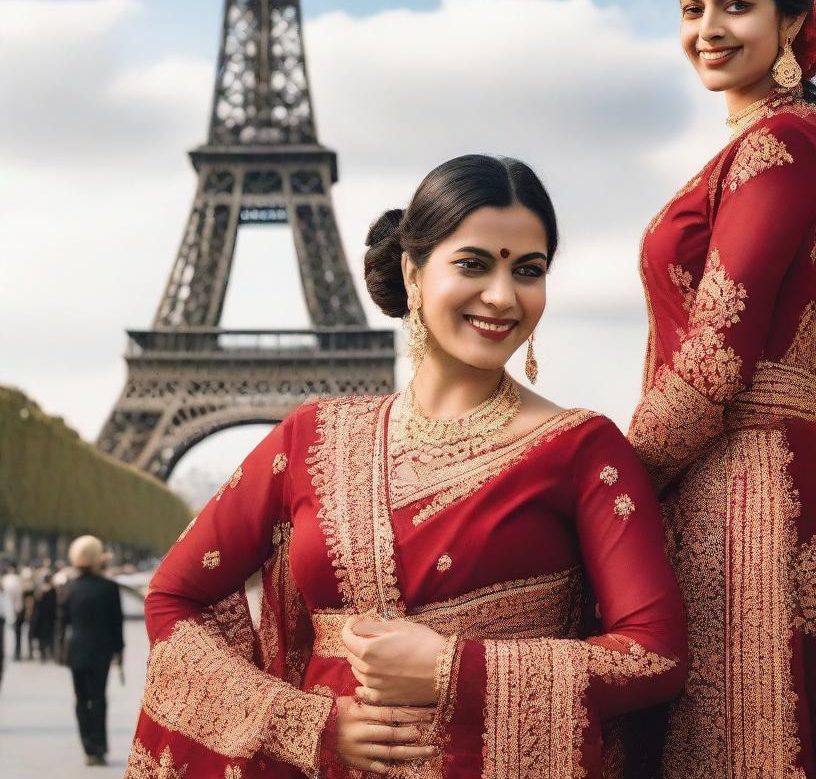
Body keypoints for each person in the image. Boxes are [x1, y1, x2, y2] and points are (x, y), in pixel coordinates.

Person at [126, 155, 687, 778]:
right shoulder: (312, 438)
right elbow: (174, 596)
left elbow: (653, 654)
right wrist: (301, 723)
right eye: (473, 264)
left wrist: (454, 668)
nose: (503, 296)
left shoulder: (582, 449)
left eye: (528, 270)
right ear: (412, 272)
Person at [624, 0, 816, 777]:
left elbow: (716, 354)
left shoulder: (782, 144)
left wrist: (605, 479)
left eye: (734, 5)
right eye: (691, 7)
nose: (707, 28)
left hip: (752, 485)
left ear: (792, 21)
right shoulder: (756, 148)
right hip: (737, 471)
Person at [62, 535, 125, 766]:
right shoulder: (109, 588)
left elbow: (63, 621)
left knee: (80, 699)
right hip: (102, 649)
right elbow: (116, 623)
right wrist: (119, 651)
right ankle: (100, 746)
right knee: (98, 698)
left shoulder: (69, 587)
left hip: (76, 650)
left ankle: (87, 746)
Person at [32, 573, 58, 662]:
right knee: (49, 635)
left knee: (41, 636)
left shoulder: (40, 590)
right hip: (49, 617)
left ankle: (43, 653)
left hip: (40, 617)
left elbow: (36, 605)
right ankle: (50, 652)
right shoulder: (52, 590)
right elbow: (54, 605)